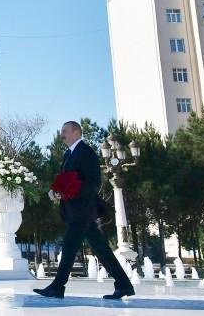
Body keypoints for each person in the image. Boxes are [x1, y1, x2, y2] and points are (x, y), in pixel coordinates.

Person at [33, 121, 135, 301]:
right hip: (76, 210)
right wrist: (58, 191)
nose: (62, 134)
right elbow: (67, 179)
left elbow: (93, 182)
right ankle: (124, 285)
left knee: (69, 246)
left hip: (82, 211)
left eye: (65, 131)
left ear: (76, 133)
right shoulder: (69, 154)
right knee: (101, 249)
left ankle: (57, 287)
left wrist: (69, 191)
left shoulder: (85, 152)